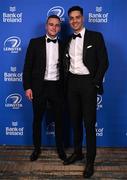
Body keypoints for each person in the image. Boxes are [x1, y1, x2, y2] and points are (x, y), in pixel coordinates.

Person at [63, 6, 109, 178]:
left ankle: (90, 161)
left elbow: (104, 62)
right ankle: (77, 152)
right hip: (72, 84)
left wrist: (95, 82)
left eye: (77, 17)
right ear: (69, 20)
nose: (74, 21)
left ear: (83, 18)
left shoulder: (96, 37)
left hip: (88, 83)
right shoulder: (68, 39)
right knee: (75, 122)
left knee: (89, 124)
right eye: (71, 18)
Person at [23, 15, 66, 162]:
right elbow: (27, 67)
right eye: (51, 24)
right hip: (39, 87)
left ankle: (60, 149)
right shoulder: (34, 43)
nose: (54, 27)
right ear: (46, 26)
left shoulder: (63, 44)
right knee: (37, 120)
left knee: (60, 120)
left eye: (57, 25)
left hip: (57, 87)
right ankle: (36, 149)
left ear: (60, 27)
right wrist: (27, 87)